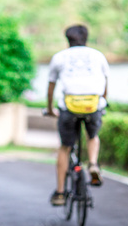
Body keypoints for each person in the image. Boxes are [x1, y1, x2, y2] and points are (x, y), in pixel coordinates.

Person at [46, 25, 109, 206]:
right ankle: (93, 164)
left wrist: (50, 109)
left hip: (69, 106)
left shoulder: (59, 57)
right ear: (86, 38)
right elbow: (105, 84)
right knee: (93, 136)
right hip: (93, 105)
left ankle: (59, 193)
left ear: (68, 39)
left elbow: (51, 89)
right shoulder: (98, 55)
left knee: (65, 147)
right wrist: (103, 102)